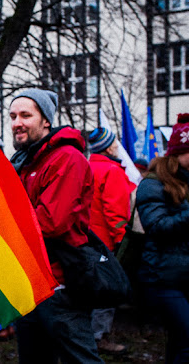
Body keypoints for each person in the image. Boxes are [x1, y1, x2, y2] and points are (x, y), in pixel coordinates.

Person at [9, 88, 103, 363]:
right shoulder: (27, 160)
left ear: (46, 120)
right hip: (32, 285)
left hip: (61, 286)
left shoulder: (66, 159)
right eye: (13, 116)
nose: (17, 122)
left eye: (26, 115)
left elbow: (51, 222)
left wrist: (3, 223)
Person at [135, 113, 189, 363]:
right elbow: (156, 226)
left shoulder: (185, 181)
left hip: (183, 274)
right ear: (178, 153)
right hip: (163, 279)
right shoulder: (153, 184)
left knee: (180, 342)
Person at [87, 127, 134, 353]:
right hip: (106, 242)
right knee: (107, 290)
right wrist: (121, 241)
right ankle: (99, 338)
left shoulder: (87, 167)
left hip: (87, 241)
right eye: (114, 142)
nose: (117, 146)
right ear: (108, 147)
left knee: (90, 290)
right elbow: (116, 213)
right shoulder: (111, 171)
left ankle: (88, 335)